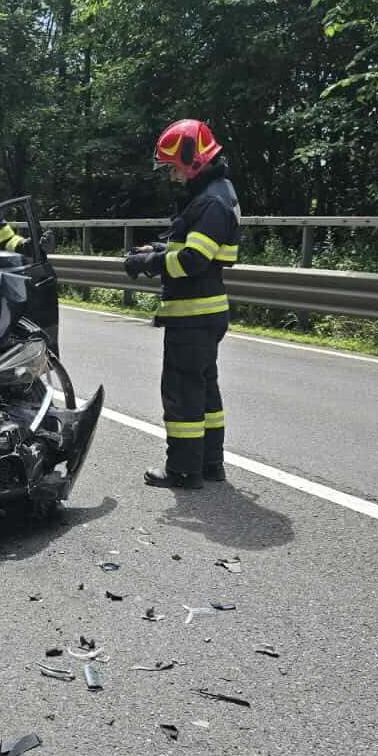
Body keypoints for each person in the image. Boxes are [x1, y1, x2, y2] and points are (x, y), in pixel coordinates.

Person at [123, 119, 240, 488]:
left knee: (182, 393)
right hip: (204, 312)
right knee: (204, 390)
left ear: (194, 159)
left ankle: (184, 470)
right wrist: (157, 248)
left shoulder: (211, 201)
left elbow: (193, 261)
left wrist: (148, 262)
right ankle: (210, 464)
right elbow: (193, 247)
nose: (173, 176)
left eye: (174, 167)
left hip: (192, 315)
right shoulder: (216, 194)